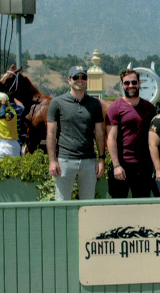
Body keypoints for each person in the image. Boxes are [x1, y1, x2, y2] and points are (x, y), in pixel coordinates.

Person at [47, 67, 105, 200]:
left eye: (83, 77)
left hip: (89, 161)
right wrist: (52, 161)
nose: (80, 80)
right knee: (62, 202)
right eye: (76, 77)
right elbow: (51, 133)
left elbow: (99, 133)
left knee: (88, 203)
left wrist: (101, 159)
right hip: (65, 160)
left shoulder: (95, 104)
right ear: (69, 80)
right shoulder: (57, 102)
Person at [106, 69, 158, 198]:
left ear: (139, 83)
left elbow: (154, 138)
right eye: (127, 83)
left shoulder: (149, 108)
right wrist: (116, 165)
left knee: (142, 207)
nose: (131, 86)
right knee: (118, 207)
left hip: (144, 166)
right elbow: (111, 138)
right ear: (122, 85)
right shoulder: (115, 108)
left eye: (134, 82)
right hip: (122, 166)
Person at [0, 92, 24, 159]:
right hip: (2, 142)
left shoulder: (11, 112)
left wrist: (3, 104)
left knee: (16, 166)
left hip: (11, 143)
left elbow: (1, 115)